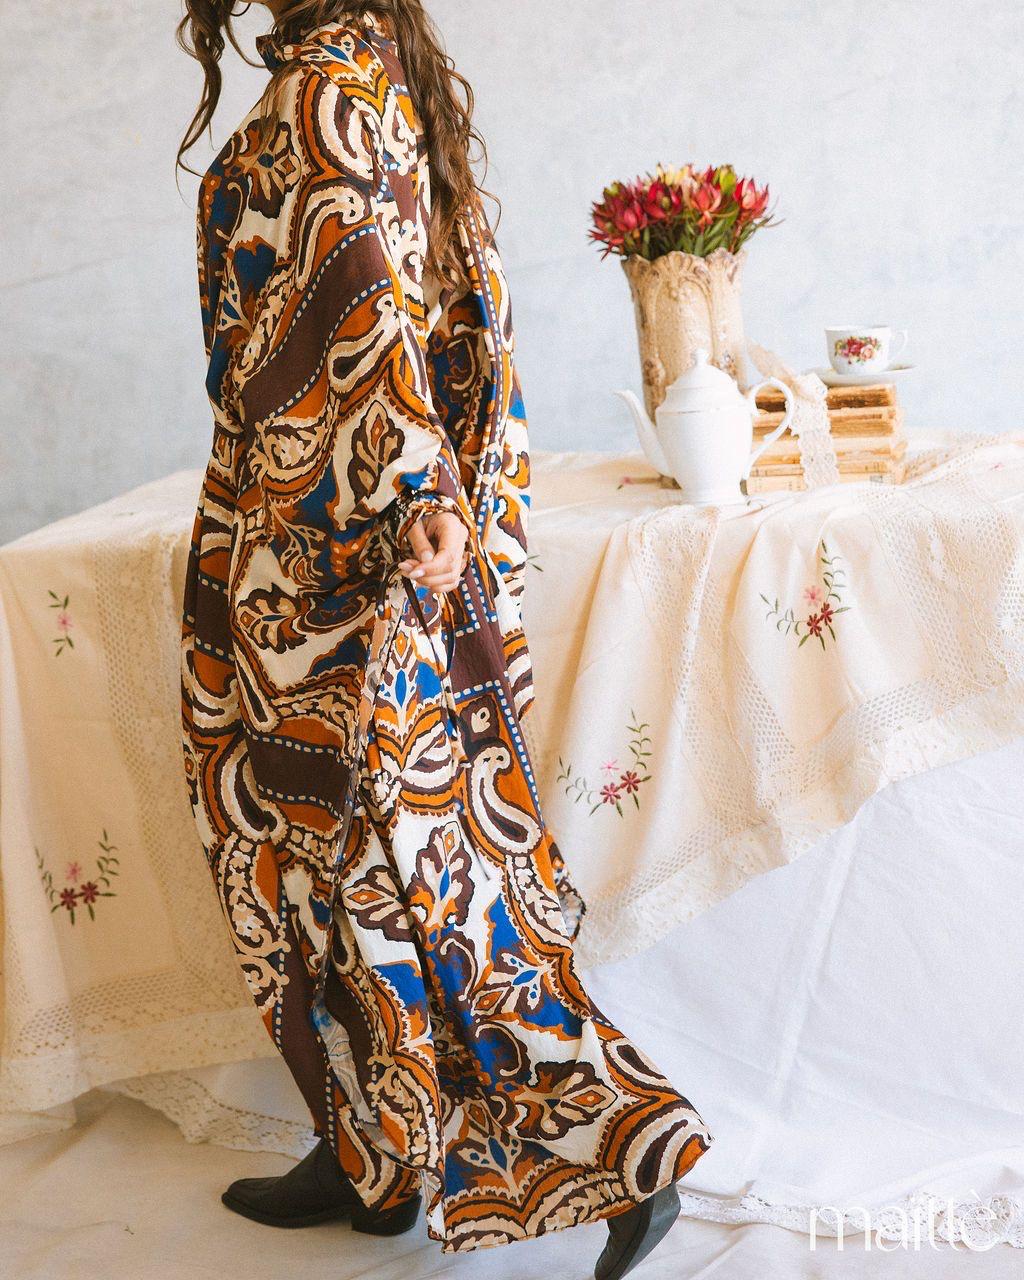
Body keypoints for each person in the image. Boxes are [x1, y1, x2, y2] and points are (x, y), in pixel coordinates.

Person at [177, 2, 712, 1274]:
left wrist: (417, 493)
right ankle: (373, 1158)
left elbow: (363, 311)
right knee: (375, 870)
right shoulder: (381, 79)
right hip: (370, 540)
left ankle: (622, 1145)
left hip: (320, 553)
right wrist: (452, 507)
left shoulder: (323, 93)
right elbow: (461, 311)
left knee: (347, 865)